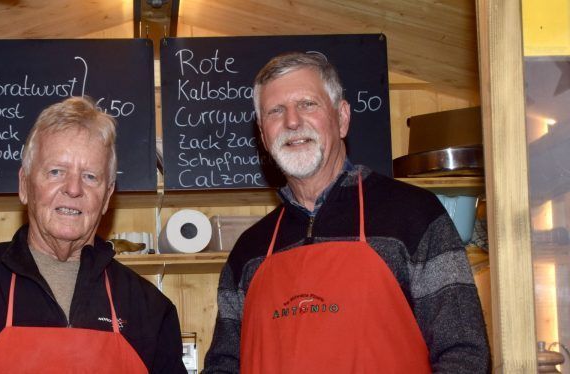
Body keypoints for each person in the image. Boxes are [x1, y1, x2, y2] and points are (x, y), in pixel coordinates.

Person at [202, 52, 490, 373]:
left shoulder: (413, 215)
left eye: (308, 104)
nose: (292, 121)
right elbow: (223, 365)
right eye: (275, 111)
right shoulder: (248, 250)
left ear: (341, 118)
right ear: (262, 133)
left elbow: (463, 353)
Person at [0, 96, 187, 373]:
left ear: (107, 196)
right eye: (56, 171)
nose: (73, 189)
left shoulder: (147, 307)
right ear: (24, 185)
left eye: (90, 176)